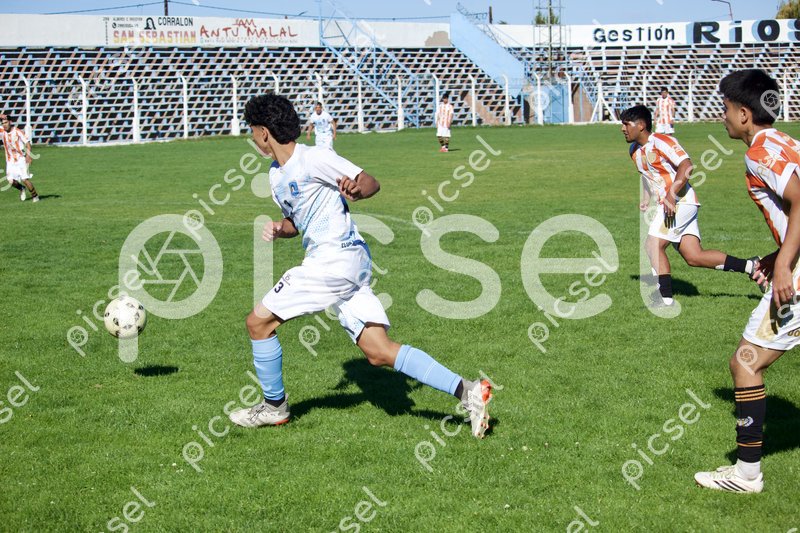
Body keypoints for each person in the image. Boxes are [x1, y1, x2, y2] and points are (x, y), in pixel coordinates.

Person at [229, 94, 493, 438]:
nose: (252, 138)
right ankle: (469, 391)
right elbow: (296, 221)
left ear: (264, 132)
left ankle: (274, 407)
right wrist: (282, 228)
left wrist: (357, 190)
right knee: (378, 351)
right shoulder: (276, 176)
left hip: (332, 261)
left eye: (252, 131)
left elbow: (370, 182)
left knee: (258, 323)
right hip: (348, 263)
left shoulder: (314, 158)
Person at [694, 69, 800, 493]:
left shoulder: (760, 152)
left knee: (745, 362)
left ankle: (747, 475)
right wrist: (778, 256)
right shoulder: (786, 141)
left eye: (724, 108)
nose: (722, 117)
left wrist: (783, 266)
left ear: (743, 113)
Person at [620, 105, 754, 306]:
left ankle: (664, 298)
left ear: (641, 125)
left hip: (680, 201)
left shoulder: (662, 141)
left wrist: (671, 195)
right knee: (694, 256)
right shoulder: (634, 151)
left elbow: (686, 165)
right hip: (672, 204)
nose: (622, 128)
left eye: (626, 124)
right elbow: (648, 175)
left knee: (653, 244)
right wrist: (646, 197)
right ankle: (752, 266)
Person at [0, 113, 39, 202]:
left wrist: (28, 156)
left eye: (6, 122)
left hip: (21, 159)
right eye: (3, 123)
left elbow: (27, 143)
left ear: (10, 122)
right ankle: (22, 188)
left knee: (25, 179)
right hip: (10, 161)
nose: (4, 125)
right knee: (11, 181)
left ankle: (35, 197)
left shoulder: (17, 131)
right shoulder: (2, 131)